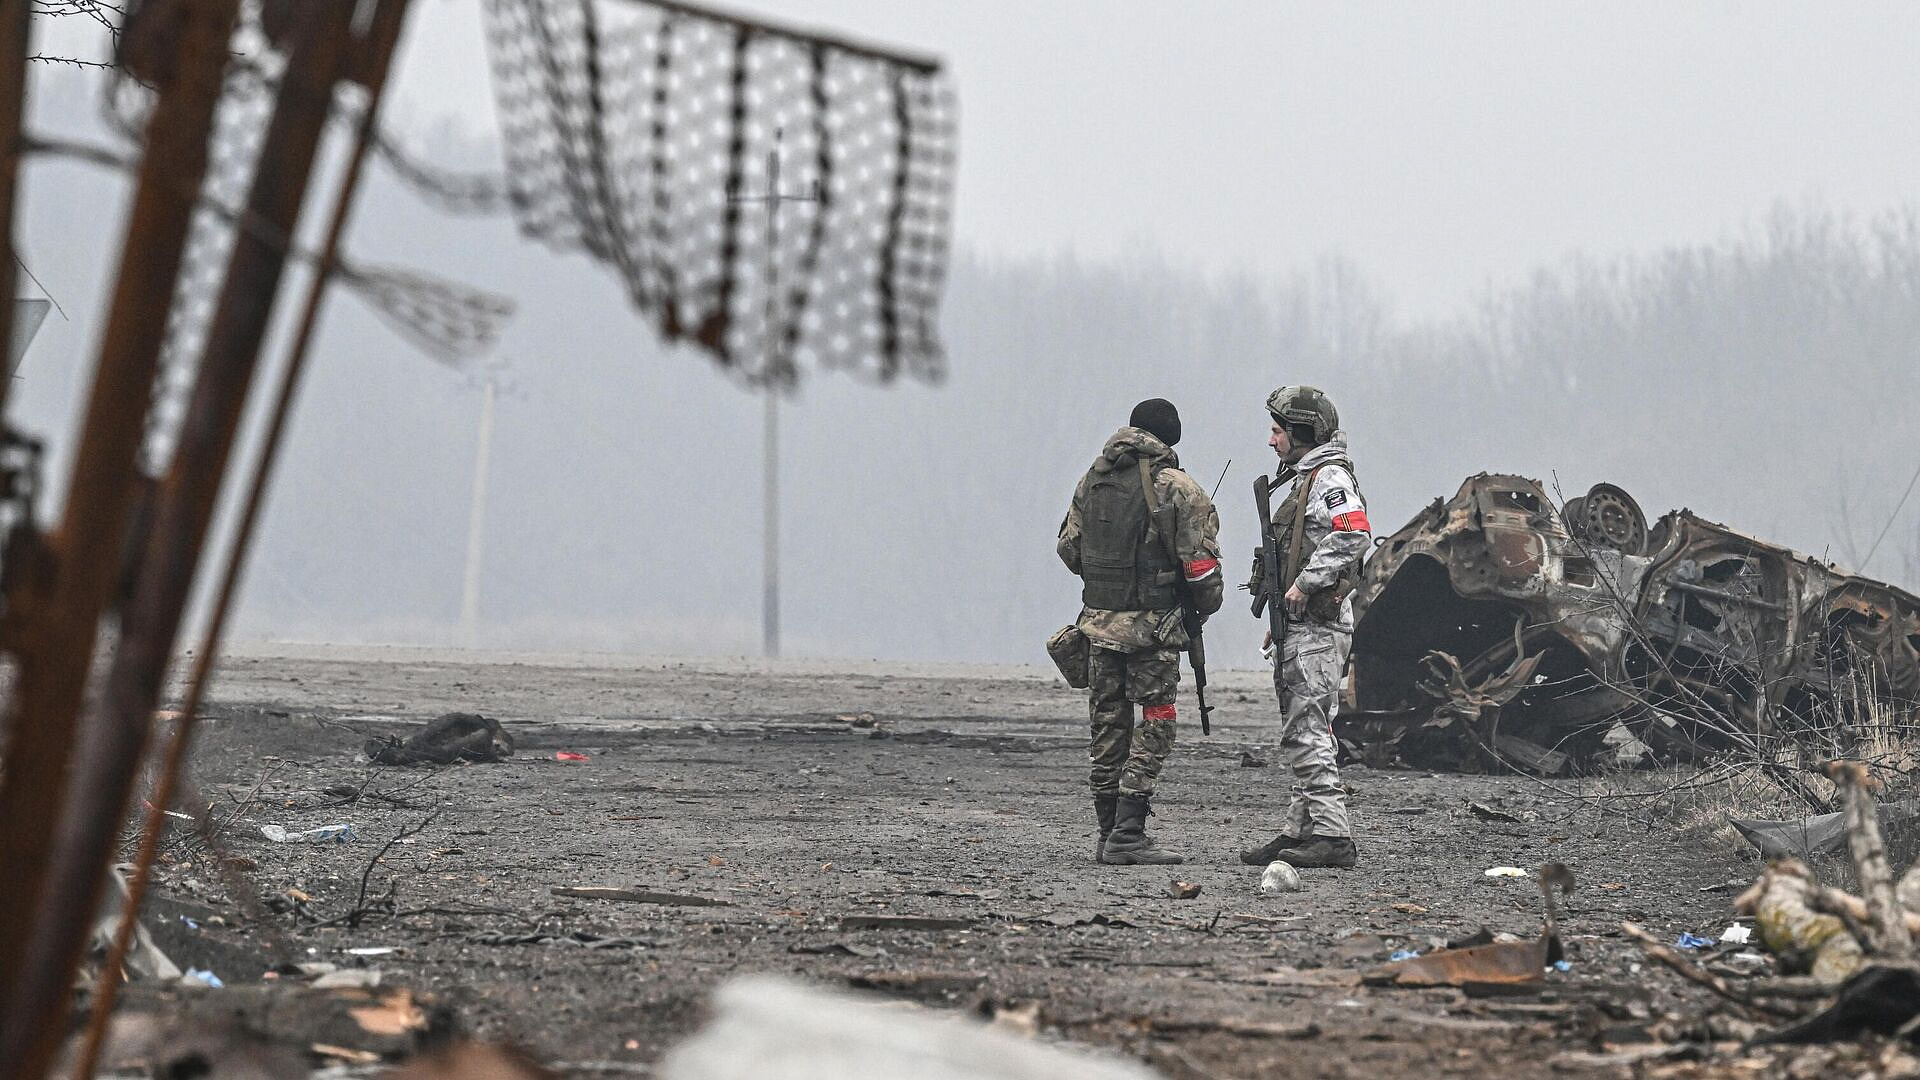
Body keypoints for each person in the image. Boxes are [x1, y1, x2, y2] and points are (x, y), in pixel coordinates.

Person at [1057, 398, 1223, 865]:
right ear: (1171, 437)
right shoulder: (1178, 488)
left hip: (1096, 626)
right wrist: (1203, 606)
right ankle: (1129, 833)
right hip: (1152, 631)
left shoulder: (1093, 480)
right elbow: (1201, 568)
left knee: (1107, 726)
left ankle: (1107, 831)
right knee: (1157, 722)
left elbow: (1069, 550)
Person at [1240, 385, 1370, 870]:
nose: (1272, 440)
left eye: (1278, 430)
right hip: (1305, 626)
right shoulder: (1307, 478)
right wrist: (1281, 616)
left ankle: (1334, 835)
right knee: (1310, 726)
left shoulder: (1329, 476)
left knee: (1306, 729)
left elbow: (1354, 531)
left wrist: (1304, 584)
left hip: (1318, 627)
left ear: (1301, 431)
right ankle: (1303, 830)